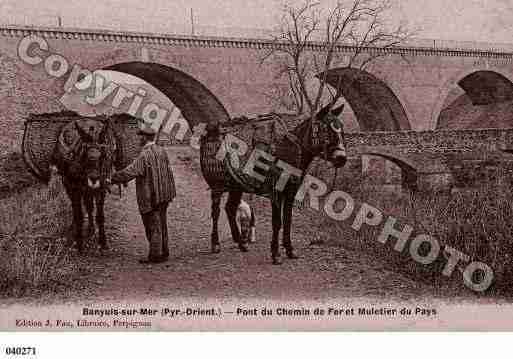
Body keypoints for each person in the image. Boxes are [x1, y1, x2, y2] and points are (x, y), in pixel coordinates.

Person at [111, 123, 176, 264]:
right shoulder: (161, 151)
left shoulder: (144, 155)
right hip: (164, 194)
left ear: (145, 138)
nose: (139, 139)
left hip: (150, 196)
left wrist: (112, 177)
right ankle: (164, 251)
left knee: (152, 225)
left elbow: (130, 172)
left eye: (141, 137)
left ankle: (155, 256)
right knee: (162, 223)